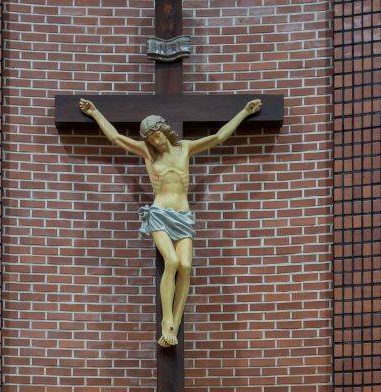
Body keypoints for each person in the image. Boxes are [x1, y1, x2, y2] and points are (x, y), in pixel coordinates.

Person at [76, 97, 265, 347]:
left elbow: (219, 137)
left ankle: (175, 322)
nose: (156, 141)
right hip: (159, 214)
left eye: (157, 135)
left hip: (183, 216)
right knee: (172, 261)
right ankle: (166, 321)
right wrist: (95, 112)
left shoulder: (185, 148)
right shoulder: (147, 153)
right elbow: (116, 138)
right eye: (151, 138)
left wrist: (244, 112)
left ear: (164, 130)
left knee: (186, 266)